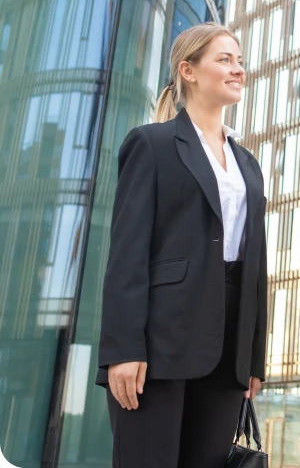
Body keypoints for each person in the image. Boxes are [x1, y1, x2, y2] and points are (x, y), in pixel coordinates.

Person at [96, 23, 268, 466]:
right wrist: (124, 349)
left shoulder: (248, 163)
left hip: (228, 349)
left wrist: (254, 358)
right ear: (188, 71)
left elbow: (256, 266)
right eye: (225, 60)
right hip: (159, 344)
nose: (238, 70)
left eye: (240, 61)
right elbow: (127, 254)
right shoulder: (150, 144)